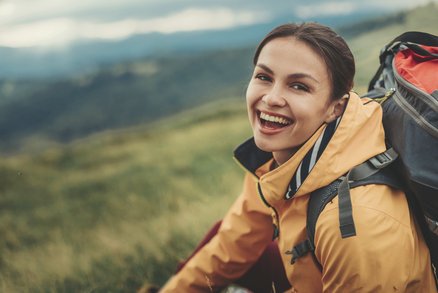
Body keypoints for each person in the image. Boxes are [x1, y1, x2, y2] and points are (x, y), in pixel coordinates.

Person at [159, 23, 437, 292]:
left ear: (335, 108)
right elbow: (234, 241)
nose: (271, 98)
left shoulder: (356, 225)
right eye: (264, 77)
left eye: (299, 86)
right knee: (222, 234)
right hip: (307, 275)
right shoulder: (277, 159)